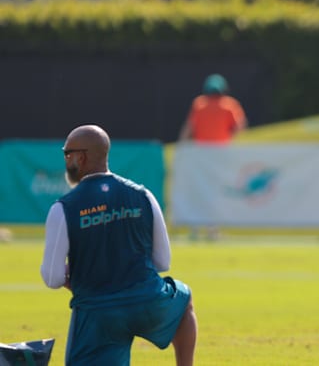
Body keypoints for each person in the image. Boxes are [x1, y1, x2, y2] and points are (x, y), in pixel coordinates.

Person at [41, 124, 197, 365]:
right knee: (183, 302)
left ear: (81, 158)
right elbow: (163, 261)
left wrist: (80, 280)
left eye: (67, 154)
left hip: (98, 314)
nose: (66, 160)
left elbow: (52, 278)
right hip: (148, 301)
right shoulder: (143, 195)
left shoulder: (63, 208)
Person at [178, 73, 246, 240]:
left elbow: (189, 129)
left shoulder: (200, 104)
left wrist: (183, 147)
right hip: (220, 155)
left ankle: (194, 230)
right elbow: (239, 127)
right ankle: (212, 230)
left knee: (198, 191)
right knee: (215, 193)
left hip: (201, 155)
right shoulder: (229, 105)